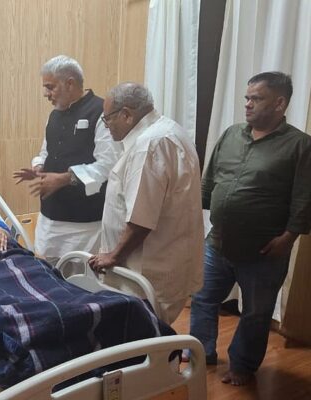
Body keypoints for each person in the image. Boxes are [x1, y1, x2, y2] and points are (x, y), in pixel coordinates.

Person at [189, 72, 311, 386]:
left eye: (256, 98)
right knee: (202, 299)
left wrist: (288, 238)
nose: (247, 104)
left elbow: (304, 197)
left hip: (264, 251)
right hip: (218, 242)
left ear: (280, 103)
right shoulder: (231, 134)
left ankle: (242, 366)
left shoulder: (299, 146)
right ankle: (201, 354)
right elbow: (209, 179)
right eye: (247, 97)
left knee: (256, 313)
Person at [88, 83, 204, 324]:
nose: (106, 125)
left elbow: (141, 218)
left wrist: (114, 256)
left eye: (107, 118)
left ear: (126, 115)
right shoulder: (169, 130)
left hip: (147, 270)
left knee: (145, 334)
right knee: (153, 334)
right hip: (165, 260)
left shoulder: (149, 144)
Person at [13, 55, 120, 265]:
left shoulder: (100, 112)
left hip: (84, 223)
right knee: (47, 270)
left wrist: (64, 178)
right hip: (50, 217)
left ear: (70, 83)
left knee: (79, 276)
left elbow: (107, 165)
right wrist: (39, 167)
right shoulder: (54, 115)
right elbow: (46, 151)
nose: (46, 94)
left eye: (50, 87)